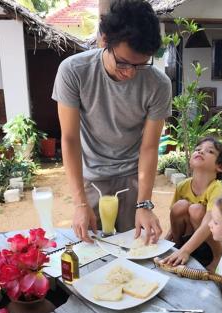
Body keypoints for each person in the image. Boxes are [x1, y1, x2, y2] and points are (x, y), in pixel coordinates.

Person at [52, 0, 171, 244]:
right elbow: (70, 139)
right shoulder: (74, 71)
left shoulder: (158, 84)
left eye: (140, 65)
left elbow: (149, 147)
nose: (130, 73)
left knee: (135, 251)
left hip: (132, 178)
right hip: (92, 178)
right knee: (93, 254)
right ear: (104, 40)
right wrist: (79, 203)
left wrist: (144, 203)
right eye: (124, 63)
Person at [161, 136, 222, 272]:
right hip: (188, 235)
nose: (200, 152)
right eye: (198, 149)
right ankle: (177, 245)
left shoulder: (217, 188)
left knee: (196, 210)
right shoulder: (182, 186)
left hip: (213, 238)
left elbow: (209, 222)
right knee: (180, 205)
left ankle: (218, 256)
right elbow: (174, 220)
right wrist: (166, 242)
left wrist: (186, 251)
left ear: (220, 166)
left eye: (210, 151)